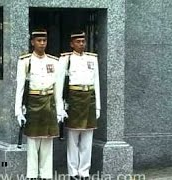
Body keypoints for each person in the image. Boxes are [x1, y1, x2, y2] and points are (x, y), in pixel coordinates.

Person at [14, 29, 63, 180]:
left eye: (44, 41)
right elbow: (20, 88)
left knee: (48, 140)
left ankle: (46, 174)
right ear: (32, 42)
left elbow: (58, 89)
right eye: (39, 41)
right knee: (33, 141)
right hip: (33, 102)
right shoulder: (25, 61)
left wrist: (60, 110)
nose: (42, 44)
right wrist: (18, 111)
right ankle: (32, 174)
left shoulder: (54, 62)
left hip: (49, 102)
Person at [57, 31, 101, 180]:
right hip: (74, 100)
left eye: (83, 41)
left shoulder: (92, 59)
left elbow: (96, 83)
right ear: (72, 44)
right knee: (73, 138)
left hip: (89, 99)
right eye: (78, 42)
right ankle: (73, 172)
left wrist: (98, 107)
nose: (81, 44)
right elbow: (59, 84)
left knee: (87, 139)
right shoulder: (66, 59)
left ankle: (84, 171)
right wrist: (60, 107)